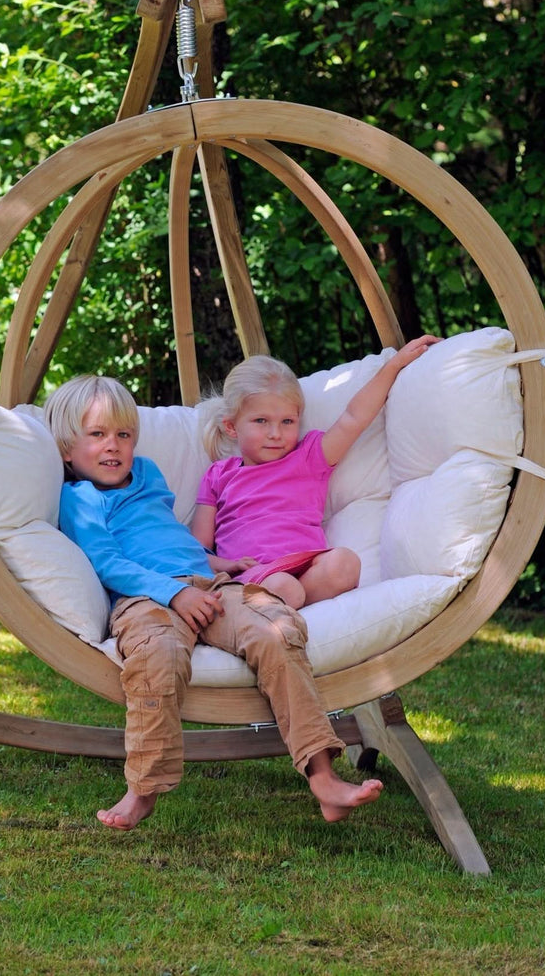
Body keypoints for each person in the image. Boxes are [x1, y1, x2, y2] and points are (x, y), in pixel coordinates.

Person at [47, 373, 383, 831]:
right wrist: (175, 592)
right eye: (97, 435)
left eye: (124, 435)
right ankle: (142, 788)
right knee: (158, 658)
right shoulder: (79, 497)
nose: (114, 446)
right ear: (67, 448)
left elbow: (170, 537)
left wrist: (218, 564)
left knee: (278, 631)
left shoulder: (146, 472)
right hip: (145, 598)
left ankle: (322, 775)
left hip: (211, 584)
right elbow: (107, 563)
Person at [192, 337, 440, 610]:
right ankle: (272, 604)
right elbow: (196, 549)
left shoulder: (309, 456)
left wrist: (394, 365)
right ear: (231, 426)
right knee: (282, 586)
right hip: (249, 576)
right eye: (261, 421)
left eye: (287, 421)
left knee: (345, 562)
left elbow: (353, 418)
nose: (275, 434)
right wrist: (226, 566)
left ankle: (286, 604)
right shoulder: (219, 474)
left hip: (306, 567)